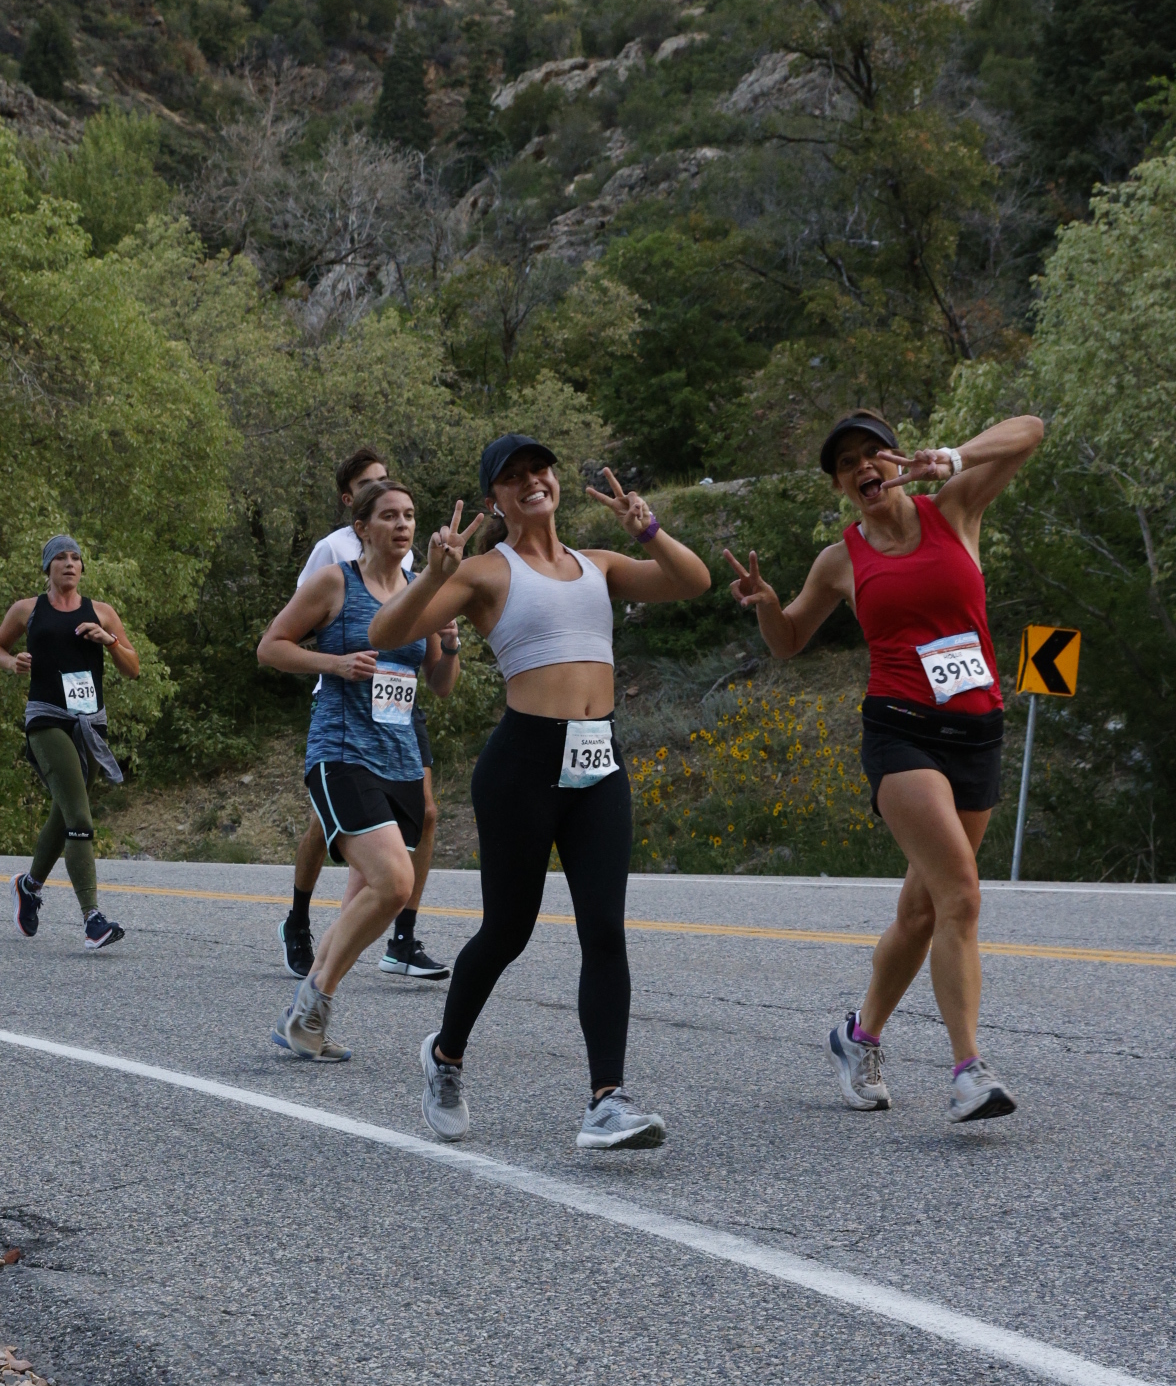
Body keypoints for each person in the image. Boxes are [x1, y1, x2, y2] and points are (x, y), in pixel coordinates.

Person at [369, 436, 711, 1149]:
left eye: (541, 470)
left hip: (599, 763)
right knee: (508, 930)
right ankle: (445, 1056)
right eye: (514, 477)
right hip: (522, 766)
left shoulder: (600, 565)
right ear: (494, 498)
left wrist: (648, 529)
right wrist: (431, 577)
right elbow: (386, 630)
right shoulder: (485, 573)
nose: (533, 482)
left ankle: (607, 1100)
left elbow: (692, 582)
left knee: (604, 930)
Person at [725, 407, 1045, 1123]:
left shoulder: (954, 508)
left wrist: (952, 458)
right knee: (962, 895)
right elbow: (788, 641)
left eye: (874, 452)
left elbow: (1030, 430)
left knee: (922, 910)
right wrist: (769, 605)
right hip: (901, 733)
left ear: (898, 459)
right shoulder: (839, 560)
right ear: (840, 486)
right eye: (847, 463)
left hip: (978, 732)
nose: (863, 466)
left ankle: (858, 1035)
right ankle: (968, 1071)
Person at [257, 479, 459, 1061]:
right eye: (389, 515)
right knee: (395, 883)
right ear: (362, 528)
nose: (403, 525)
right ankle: (311, 1005)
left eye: (410, 515)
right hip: (342, 752)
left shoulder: (422, 592)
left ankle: (304, 1020)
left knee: (366, 898)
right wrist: (336, 663)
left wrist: (450, 645)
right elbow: (271, 647)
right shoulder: (334, 581)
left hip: (400, 758)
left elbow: (441, 686)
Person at [0, 534, 140, 951]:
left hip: (89, 724)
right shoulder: (28, 609)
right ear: (48, 567)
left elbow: (133, 668)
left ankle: (29, 886)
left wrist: (109, 641)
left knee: (65, 811)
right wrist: (11, 662)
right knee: (80, 818)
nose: (69, 563)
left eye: (75, 558)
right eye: (60, 558)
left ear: (82, 568)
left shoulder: (102, 612)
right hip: (47, 720)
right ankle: (92, 919)